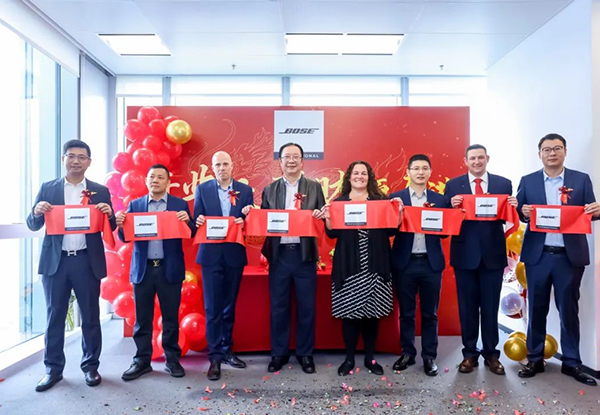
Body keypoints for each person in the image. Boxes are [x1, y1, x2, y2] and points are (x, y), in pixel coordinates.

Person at [26, 139, 115, 392]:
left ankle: (91, 366)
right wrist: (36, 211)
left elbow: (110, 228)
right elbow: (33, 224)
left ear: (89, 162)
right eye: (71, 156)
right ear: (63, 158)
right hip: (56, 263)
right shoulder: (48, 188)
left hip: (86, 261)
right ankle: (53, 370)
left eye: (81, 157)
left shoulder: (100, 190)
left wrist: (109, 214)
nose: (76, 161)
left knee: (90, 316)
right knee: (54, 316)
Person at [516, 133, 599, 385]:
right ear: (539, 154)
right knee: (536, 308)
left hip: (569, 257)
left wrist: (597, 210)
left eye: (557, 148)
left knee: (569, 311)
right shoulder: (528, 181)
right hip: (538, 256)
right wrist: (523, 211)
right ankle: (534, 358)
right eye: (547, 149)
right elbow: (520, 212)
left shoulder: (580, 179)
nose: (552, 153)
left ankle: (572, 362)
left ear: (565, 151)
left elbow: (590, 212)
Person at [242, 142, 325, 374]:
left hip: (305, 255)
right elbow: (264, 221)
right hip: (279, 256)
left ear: (302, 161)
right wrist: (251, 214)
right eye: (287, 157)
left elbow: (323, 220)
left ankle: (305, 354)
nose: (291, 161)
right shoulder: (270, 190)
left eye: (295, 156)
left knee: (306, 307)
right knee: (279, 307)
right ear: (280, 162)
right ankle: (278, 353)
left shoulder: (314, 187)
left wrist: (321, 214)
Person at [444, 144, 516, 375]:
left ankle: (491, 355)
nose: (477, 162)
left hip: (493, 255)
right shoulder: (453, 186)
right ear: (465, 161)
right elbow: (446, 220)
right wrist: (450, 206)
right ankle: (469, 354)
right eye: (472, 158)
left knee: (490, 307)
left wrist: (513, 208)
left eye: (480, 158)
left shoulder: (503, 184)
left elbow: (506, 217)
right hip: (464, 255)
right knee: (467, 308)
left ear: (487, 159)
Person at [118, 164, 193, 381]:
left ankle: (172, 359)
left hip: (169, 268)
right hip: (144, 269)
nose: (155, 180)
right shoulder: (136, 205)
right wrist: (121, 225)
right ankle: (142, 361)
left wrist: (187, 221)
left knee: (170, 317)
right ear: (146, 181)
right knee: (142, 318)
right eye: (152, 177)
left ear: (168, 182)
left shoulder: (179, 205)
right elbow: (125, 237)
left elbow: (191, 233)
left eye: (160, 177)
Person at [323, 161, 395, 376]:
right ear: (349, 177)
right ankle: (349, 359)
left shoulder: (381, 201)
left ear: (369, 177)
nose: (360, 176)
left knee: (373, 315)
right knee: (350, 315)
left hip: (375, 265)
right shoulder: (339, 203)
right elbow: (332, 234)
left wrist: (397, 211)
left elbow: (391, 230)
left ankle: (370, 358)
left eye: (364, 173)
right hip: (349, 266)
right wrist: (328, 217)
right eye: (356, 173)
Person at [194, 151, 253, 381]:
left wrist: (245, 220)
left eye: (225, 164)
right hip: (210, 256)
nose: (222, 168)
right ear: (212, 168)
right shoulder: (203, 189)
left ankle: (227, 350)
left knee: (229, 306)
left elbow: (250, 224)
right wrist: (198, 220)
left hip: (234, 255)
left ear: (232, 166)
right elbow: (196, 220)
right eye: (217, 164)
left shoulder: (245, 191)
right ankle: (215, 356)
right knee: (212, 308)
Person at [389, 154, 449, 377]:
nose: (420, 172)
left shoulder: (439, 199)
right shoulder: (396, 198)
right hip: (405, 263)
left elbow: (444, 234)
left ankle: (429, 356)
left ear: (430, 172)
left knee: (430, 314)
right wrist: (398, 217)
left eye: (425, 168)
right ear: (408, 172)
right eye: (416, 168)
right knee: (406, 313)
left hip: (431, 264)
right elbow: (390, 230)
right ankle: (407, 353)